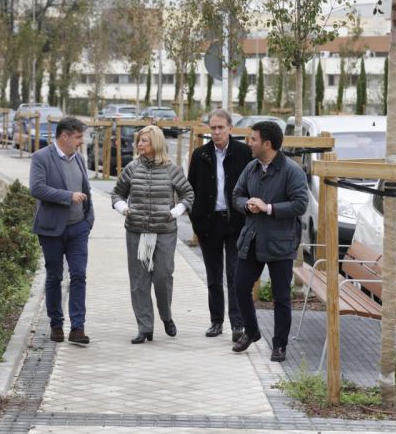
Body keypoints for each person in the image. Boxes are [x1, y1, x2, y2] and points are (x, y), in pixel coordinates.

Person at [231, 121, 308, 362]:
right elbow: (236, 194)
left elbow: (300, 204)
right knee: (240, 287)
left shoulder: (292, 171)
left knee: (281, 296)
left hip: (281, 244)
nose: (248, 143)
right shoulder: (252, 167)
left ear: (267, 143)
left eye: (253, 139)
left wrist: (268, 208)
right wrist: (246, 204)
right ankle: (252, 332)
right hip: (252, 239)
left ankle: (280, 345)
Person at [111, 125, 194, 344]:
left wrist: (175, 212)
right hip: (136, 231)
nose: (139, 144)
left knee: (162, 276)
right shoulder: (132, 168)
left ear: (155, 143)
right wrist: (124, 209)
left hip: (164, 231)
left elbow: (188, 194)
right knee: (139, 281)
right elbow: (117, 193)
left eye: (144, 141)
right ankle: (145, 327)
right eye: (139, 140)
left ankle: (166, 316)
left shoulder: (170, 169)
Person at [187, 109, 253, 342]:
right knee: (213, 275)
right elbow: (191, 189)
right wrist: (196, 219)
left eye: (220, 128)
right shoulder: (200, 155)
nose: (216, 132)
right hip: (209, 223)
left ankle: (238, 324)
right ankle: (216, 321)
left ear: (230, 128)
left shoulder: (244, 153)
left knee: (235, 275)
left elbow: (251, 186)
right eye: (212, 128)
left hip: (236, 222)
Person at [29, 117, 94, 344]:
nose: (81, 141)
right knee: (55, 276)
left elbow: (87, 190)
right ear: (64, 136)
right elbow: (37, 188)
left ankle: (78, 328)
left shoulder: (80, 159)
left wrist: (88, 220)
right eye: (78, 137)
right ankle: (56, 324)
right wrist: (68, 197)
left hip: (78, 228)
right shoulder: (41, 158)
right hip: (51, 230)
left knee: (78, 275)